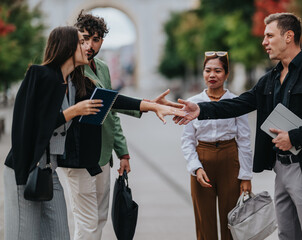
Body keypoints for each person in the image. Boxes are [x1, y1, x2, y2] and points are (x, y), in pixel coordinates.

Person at [176, 13, 302, 240]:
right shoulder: (271, 78)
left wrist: (294, 136)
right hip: (281, 169)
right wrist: (201, 110)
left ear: (288, 36)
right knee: (287, 234)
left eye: (269, 36)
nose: (264, 42)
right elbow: (240, 104)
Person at [58, 11, 184, 240]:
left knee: (99, 218)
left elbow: (111, 111)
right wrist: (146, 105)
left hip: (103, 154)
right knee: (86, 223)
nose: (89, 45)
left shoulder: (103, 68)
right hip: (79, 154)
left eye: (95, 40)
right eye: (84, 39)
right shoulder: (71, 68)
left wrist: (123, 152)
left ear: (102, 41)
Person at [3, 26, 102, 240]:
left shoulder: (75, 84)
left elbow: (110, 99)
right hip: (25, 168)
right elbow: (28, 127)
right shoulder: (39, 75)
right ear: (67, 46)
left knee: (59, 235)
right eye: (81, 42)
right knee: (24, 236)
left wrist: (151, 106)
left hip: (49, 172)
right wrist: (72, 112)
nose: (88, 47)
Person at [181, 51, 253, 240]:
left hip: (230, 160)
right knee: (204, 223)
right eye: (208, 70)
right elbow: (187, 140)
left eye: (218, 71)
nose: (212, 75)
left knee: (231, 221)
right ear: (203, 73)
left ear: (227, 74)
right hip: (202, 159)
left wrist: (246, 176)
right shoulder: (193, 103)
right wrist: (196, 168)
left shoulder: (236, 102)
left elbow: (244, 140)